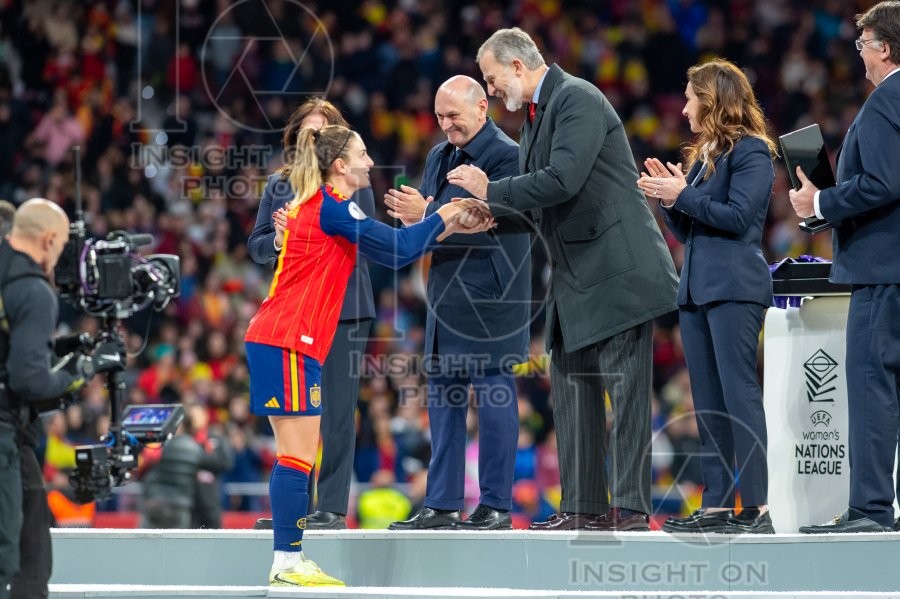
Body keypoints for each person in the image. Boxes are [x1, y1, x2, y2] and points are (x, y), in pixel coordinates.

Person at [244, 124, 491, 586]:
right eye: (362, 154)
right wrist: (446, 213)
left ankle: (288, 560)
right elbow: (398, 250)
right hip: (289, 339)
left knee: (294, 456)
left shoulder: (323, 205)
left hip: (284, 338)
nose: (371, 162)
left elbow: (399, 250)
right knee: (296, 457)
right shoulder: (331, 207)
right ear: (340, 165)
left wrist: (448, 222)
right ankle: (287, 563)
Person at [453, 27, 679, 531]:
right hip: (575, 274)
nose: (491, 90)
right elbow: (539, 205)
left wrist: (491, 190)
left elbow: (561, 180)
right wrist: (488, 215)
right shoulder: (534, 119)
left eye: (491, 79)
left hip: (617, 271)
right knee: (573, 387)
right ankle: (583, 506)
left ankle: (631, 509)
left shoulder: (577, 97)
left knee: (626, 393)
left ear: (516, 65)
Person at [384, 75, 531, 531]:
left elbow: (485, 221)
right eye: (440, 116)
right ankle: (442, 503)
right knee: (443, 401)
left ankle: (496, 505)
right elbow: (438, 224)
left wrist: (427, 215)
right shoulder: (438, 155)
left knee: (493, 399)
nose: (446, 124)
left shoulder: (509, 156)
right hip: (445, 293)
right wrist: (423, 219)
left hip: (491, 295)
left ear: (482, 107)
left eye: (454, 115)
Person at [637, 59, 777, 535]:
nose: (684, 108)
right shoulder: (707, 155)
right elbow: (690, 229)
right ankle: (717, 506)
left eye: (690, 98)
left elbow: (737, 217)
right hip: (697, 290)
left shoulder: (752, 151)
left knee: (739, 395)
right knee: (709, 402)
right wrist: (669, 198)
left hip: (735, 287)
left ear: (713, 101)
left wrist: (684, 193)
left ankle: (756, 507)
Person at [790, 1, 900, 534]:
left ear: (885, 48)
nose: (859, 54)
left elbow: (882, 183)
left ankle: (871, 509)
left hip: (882, 273)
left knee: (873, 386)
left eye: (863, 45)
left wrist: (820, 202)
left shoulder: (885, 103)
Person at [249, 98, 375, 531]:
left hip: (344, 309)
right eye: (308, 132)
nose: (315, 138)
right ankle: (293, 509)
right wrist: (279, 239)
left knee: (337, 410)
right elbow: (257, 246)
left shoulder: (354, 179)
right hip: (294, 314)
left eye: (323, 132)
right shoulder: (279, 184)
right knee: (292, 413)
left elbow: (367, 239)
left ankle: (332, 509)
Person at [0, 199, 86, 599]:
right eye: (63, 245)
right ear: (49, 239)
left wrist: (55, 349)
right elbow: (29, 380)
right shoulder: (34, 290)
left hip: (14, 438)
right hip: (5, 429)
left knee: (31, 531)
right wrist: (78, 373)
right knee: (7, 553)